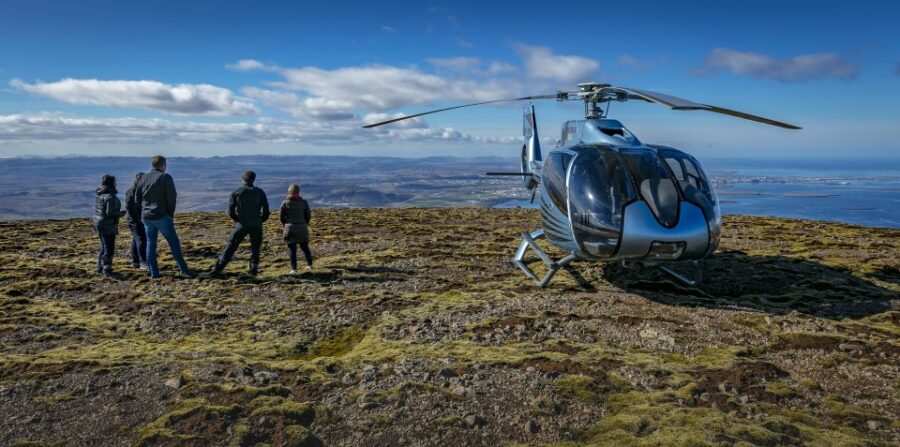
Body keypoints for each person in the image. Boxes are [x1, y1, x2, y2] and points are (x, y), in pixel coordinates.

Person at [136, 155, 196, 279]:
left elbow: (137, 198)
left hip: (147, 217)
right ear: (163, 165)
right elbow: (172, 197)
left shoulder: (143, 178)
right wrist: (170, 214)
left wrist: (144, 208)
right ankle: (183, 270)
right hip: (162, 216)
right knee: (174, 243)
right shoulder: (165, 177)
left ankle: (154, 273)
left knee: (151, 244)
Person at [212, 171, 270, 276]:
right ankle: (253, 270)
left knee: (232, 244)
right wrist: (261, 220)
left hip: (242, 223)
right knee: (255, 247)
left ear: (243, 179)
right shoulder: (260, 192)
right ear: (253, 179)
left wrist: (237, 219)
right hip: (256, 223)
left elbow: (231, 210)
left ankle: (219, 268)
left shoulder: (236, 192)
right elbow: (266, 210)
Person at [93, 175, 126, 276]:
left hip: (99, 223)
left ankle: (100, 267)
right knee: (109, 247)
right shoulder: (110, 196)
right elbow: (110, 213)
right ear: (112, 183)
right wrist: (122, 213)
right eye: (115, 182)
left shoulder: (100, 194)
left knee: (103, 246)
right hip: (107, 224)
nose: (116, 183)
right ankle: (107, 269)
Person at [279, 184, 312, 273]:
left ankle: (294, 269)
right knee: (305, 247)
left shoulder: (285, 203)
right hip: (302, 227)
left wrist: (285, 225)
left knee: (292, 250)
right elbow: (308, 215)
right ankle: (310, 265)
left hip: (290, 228)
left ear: (289, 192)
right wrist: (305, 223)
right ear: (298, 192)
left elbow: (281, 217)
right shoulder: (304, 202)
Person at [124, 172, 148, 270]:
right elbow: (129, 206)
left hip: (134, 219)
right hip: (135, 220)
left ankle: (136, 262)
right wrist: (138, 219)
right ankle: (143, 262)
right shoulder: (132, 191)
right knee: (142, 240)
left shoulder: (136, 190)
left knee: (136, 239)